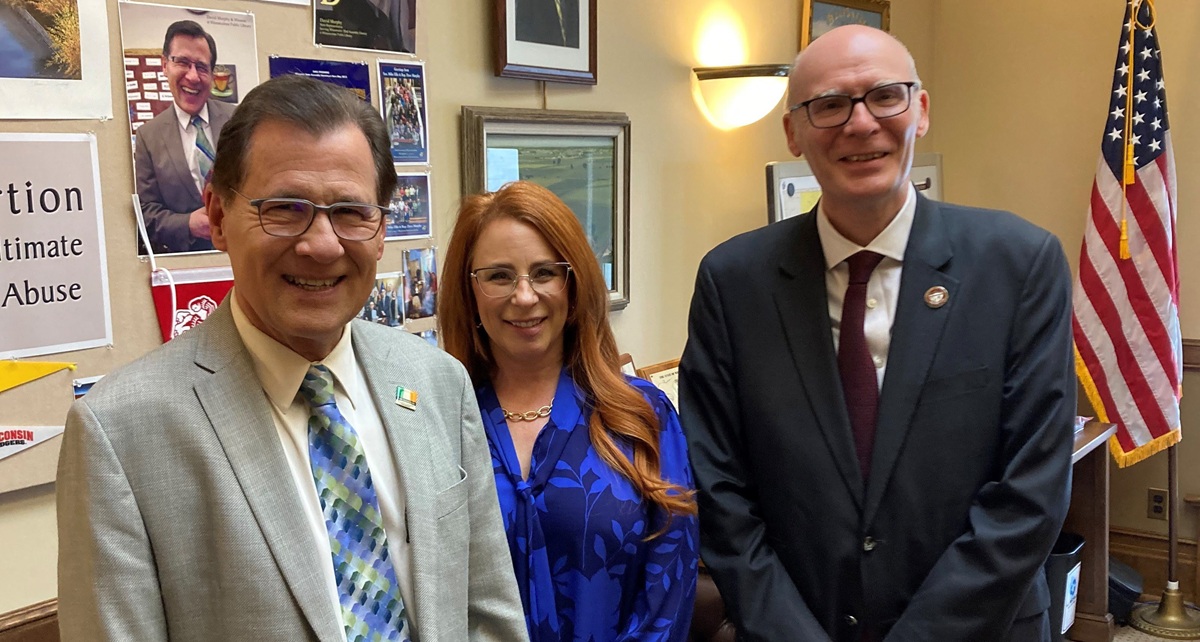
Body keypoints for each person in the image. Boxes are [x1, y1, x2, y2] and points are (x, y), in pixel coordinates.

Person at [57, 75, 528, 642]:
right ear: (219, 214)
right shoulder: (121, 434)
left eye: (351, 212)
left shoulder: (436, 381)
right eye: (285, 208)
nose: (322, 244)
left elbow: (488, 616)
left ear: (381, 230)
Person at [679, 25, 1075, 642]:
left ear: (920, 112)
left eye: (885, 96)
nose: (860, 124)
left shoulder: (1019, 264)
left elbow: (1031, 492)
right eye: (830, 104)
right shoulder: (733, 283)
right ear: (793, 132)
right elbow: (719, 487)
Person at [439, 181, 700, 641]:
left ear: (574, 283)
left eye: (544, 273)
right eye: (499, 276)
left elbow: (668, 592)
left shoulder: (643, 415)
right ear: (470, 290)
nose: (524, 296)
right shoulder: (440, 424)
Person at [134, 20, 234, 254]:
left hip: (240, 255)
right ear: (165, 65)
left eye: (201, 66)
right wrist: (187, 224)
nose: (192, 76)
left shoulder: (239, 119)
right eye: (182, 62)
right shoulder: (148, 136)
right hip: (187, 263)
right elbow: (146, 212)